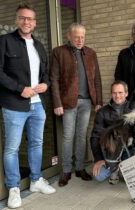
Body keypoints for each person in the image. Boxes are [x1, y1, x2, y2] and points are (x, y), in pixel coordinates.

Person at [0, 3, 56, 209]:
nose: (27, 22)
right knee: (12, 148)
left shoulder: (39, 45)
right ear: (17, 20)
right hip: (14, 104)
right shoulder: (3, 42)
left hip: (38, 105)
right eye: (23, 18)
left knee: (36, 144)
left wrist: (46, 84)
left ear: (34, 23)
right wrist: (19, 89)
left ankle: (35, 181)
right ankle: (14, 188)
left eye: (31, 19)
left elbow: (45, 73)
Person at [50, 23, 103, 187]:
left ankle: (80, 168)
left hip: (87, 102)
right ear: (69, 36)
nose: (80, 40)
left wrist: (99, 101)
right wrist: (57, 103)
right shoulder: (59, 52)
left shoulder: (91, 53)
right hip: (67, 102)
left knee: (81, 136)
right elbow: (54, 79)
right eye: (76, 37)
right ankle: (66, 170)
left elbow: (97, 80)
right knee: (68, 137)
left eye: (82, 37)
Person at [90, 80, 132, 184]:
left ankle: (121, 168)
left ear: (126, 93)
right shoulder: (102, 112)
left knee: (130, 177)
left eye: (120, 92)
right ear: (111, 94)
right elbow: (95, 137)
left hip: (129, 150)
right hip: (111, 151)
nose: (117, 96)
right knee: (99, 176)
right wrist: (99, 159)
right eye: (114, 93)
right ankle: (114, 168)